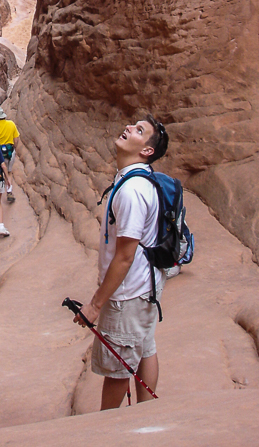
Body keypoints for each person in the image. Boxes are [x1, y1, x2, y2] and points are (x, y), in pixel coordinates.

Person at [74, 115, 169, 410]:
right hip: (144, 287)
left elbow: (125, 255)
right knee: (144, 348)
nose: (128, 128)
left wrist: (95, 305)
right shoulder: (136, 179)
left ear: (147, 150)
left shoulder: (132, 190)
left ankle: (109, 426)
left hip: (128, 295)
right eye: (132, 125)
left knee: (118, 368)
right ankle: (144, 416)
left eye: (139, 130)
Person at [0, 106, 20, 203]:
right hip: (9, 152)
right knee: (9, 172)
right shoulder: (11, 124)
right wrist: (13, 149)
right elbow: (16, 139)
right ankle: (9, 192)